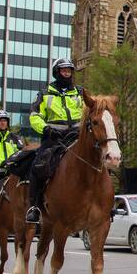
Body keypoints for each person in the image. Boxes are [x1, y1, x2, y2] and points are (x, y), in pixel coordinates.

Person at [25, 58, 84, 224]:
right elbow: (35, 116)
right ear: (57, 73)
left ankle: (105, 204)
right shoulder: (44, 93)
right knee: (38, 166)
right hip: (53, 137)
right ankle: (34, 207)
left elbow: (90, 113)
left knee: (99, 158)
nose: (67, 73)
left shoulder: (80, 92)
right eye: (63, 71)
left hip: (76, 136)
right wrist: (45, 129)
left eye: (69, 71)